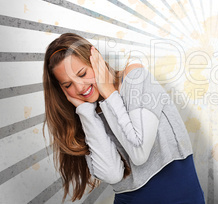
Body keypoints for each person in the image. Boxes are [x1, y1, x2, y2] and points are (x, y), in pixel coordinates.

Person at [43, 33, 205, 203]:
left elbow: (139, 151)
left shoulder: (135, 78)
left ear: (95, 61)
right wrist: (86, 113)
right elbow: (113, 174)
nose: (79, 87)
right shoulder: (86, 116)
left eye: (82, 74)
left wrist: (109, 94)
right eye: (67, 85)